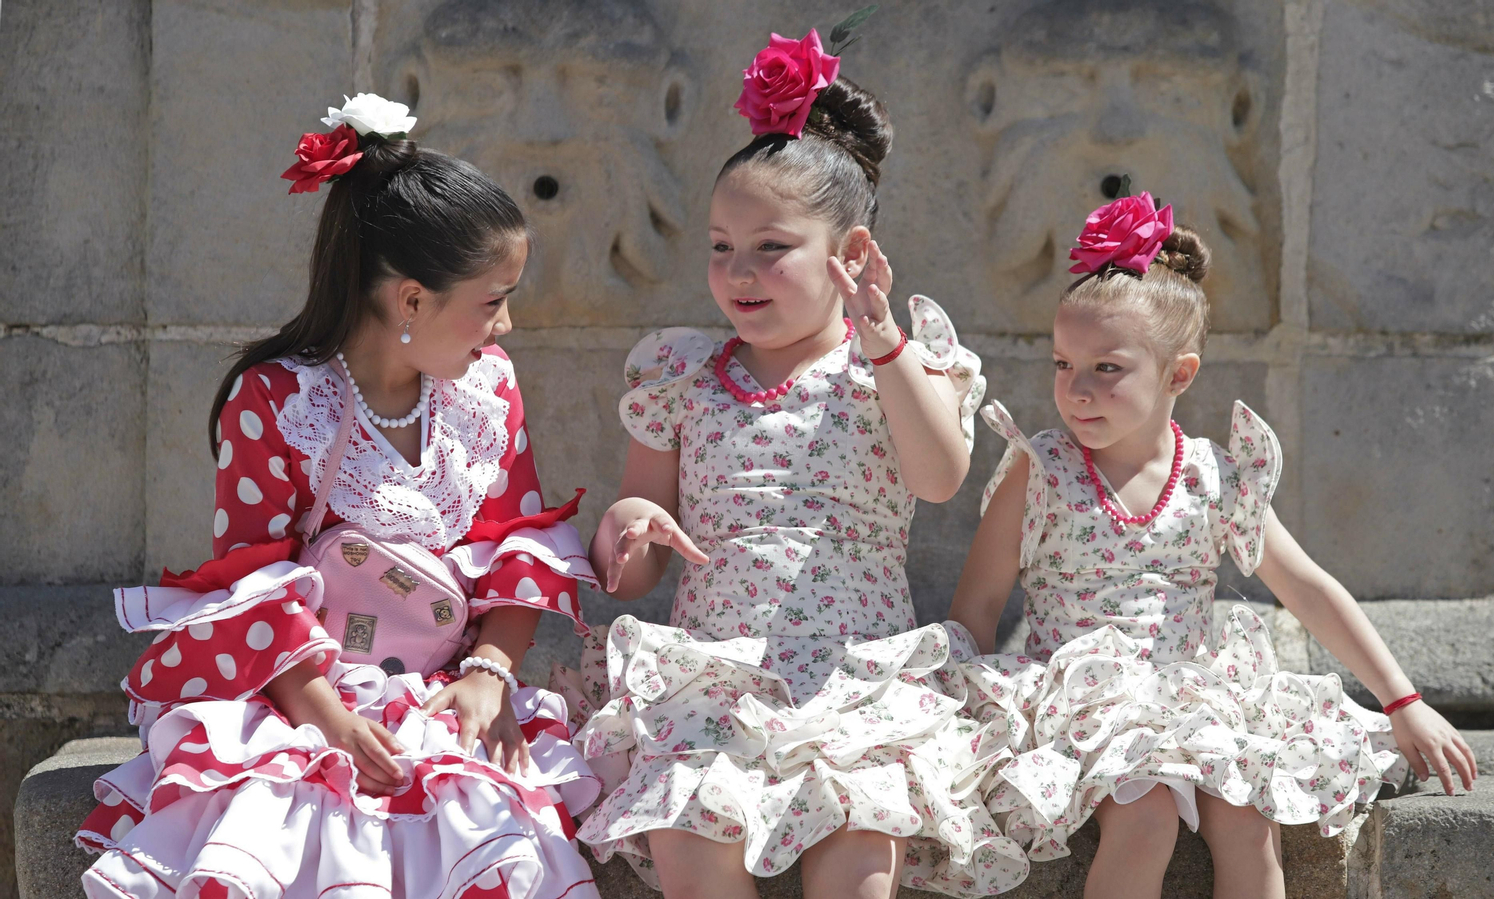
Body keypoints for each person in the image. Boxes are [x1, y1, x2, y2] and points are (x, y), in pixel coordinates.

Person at [76, 93, 602, 899]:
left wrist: (493, 669)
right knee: (298, 818)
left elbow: (515, 544)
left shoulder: (486, 393)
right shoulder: (278, 399)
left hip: (448, 686)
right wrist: (330, 719)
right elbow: (253, 582)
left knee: (486, 822)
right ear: (413, 299)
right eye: (491, 302)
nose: (505, 328)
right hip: (302, 695)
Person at [551, 30, 1027, 899]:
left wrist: (886, 344)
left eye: (771, 246)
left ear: (849, 256)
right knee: (691, 850)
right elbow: (633, 565)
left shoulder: (895, 364)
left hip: (858, 679)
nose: (740, 270)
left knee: (856, 859)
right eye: (721, 246)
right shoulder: (680, 378)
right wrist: (628, 529)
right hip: (717, 674)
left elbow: (939, 477)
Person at [946, 192, 1478, 899]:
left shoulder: (1214, 476)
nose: (1077, 389)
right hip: (1082, 698)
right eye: (1063, 364)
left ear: (1179, 374)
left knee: (1250, 819)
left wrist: (1402, 698)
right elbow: (979, 601)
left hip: (1191, 694)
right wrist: (966, 717)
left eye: (1107, 368)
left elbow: (1308, 587)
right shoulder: (1039, 469)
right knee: (1146, 814)